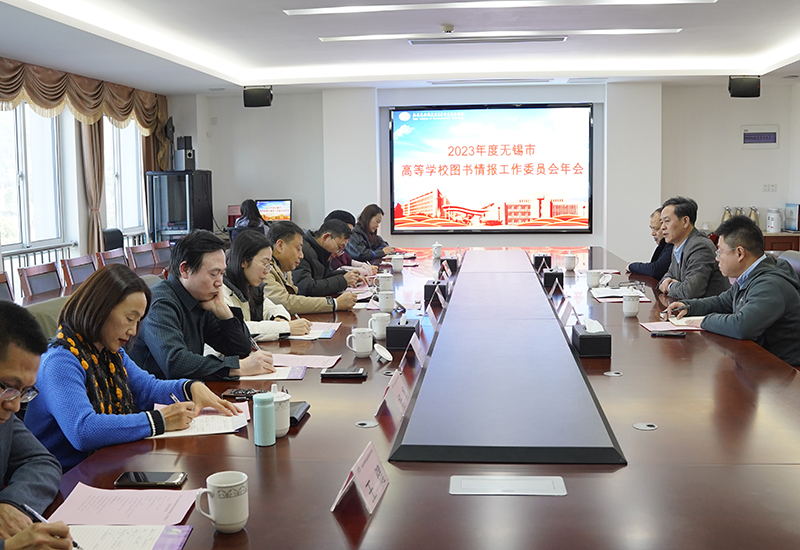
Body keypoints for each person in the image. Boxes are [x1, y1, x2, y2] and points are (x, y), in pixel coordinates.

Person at [25, 265, 241, 470]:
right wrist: (159, 420)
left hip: (104, 463)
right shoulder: (60, 361)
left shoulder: (109, 352)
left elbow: (147, 388)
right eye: (129, 319)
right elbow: (83, 430)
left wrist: (190, 387)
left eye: (138, 321)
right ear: (100, 310)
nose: (133, 331)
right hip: (65, 478)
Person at [130, 230, 275, 380]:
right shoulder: (160, 304)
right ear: (185, 270)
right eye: (213, 274)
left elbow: (241, 349)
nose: (219, 282)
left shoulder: (201, 300)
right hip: (157, 393)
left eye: (222, 273)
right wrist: (239, 367)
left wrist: (224, 311)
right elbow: (175, 363)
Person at [665, 216, 800, 368]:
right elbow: (723, 302)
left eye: (720, 252)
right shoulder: (750, 275)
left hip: (784, 371)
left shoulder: (771, 285)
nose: (717, 258)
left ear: (740, 253)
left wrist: (704, 321)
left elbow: (742, 326)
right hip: (758, 361)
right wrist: (689, 306)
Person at [0, 302, 72, 550]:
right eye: (9, 386)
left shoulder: (4, 416)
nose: (15, 406)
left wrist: (12, 504)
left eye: (24, 391)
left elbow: (42, 462)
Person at [224, 230, 312, 340]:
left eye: (269, 264)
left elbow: (274, 308)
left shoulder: (252, 287)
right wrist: (284, 327)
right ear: (243, 262)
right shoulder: (222, 290)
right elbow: (239, 329)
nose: (267, 271)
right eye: (264, 263)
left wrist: (279, 318)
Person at [264, 221, 358, 314]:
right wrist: (334, 303)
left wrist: (346, 276)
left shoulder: (285, 270)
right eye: (298, 249)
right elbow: (287, 302)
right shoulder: (265, 270)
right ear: (280, 246)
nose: (301, 255)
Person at [658, 196, 730, 299]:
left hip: (708, 308)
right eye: (661, 222)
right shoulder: (678, 245)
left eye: (667, 221)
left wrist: (669, 286)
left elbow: (691, 291)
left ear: (685, 221)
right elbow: (668, 274)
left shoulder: (700, 246)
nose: (662, 227)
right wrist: (668, 282)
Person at [292, 219, 366, 297]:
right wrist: (343, 281)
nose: (338, 254)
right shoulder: (303, 253)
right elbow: (307, 288)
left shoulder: (322, 252)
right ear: (325, 237)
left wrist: (349, 276)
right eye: (339, 248)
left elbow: (326, 276)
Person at [325, 210, 378, 275]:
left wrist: (364, 266)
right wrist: (364, 270)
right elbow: (338, 270)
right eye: (346, 232)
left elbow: (349, 261)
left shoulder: (341, 247)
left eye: (350, 232)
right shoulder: (329, 249)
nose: (349, 236)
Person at [626, 207, 673, 280]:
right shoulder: (663, 245)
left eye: (656, 229)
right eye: (651, 228)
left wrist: (631, 266)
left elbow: (655, 269)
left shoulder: (672, 245)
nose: (652, 233)